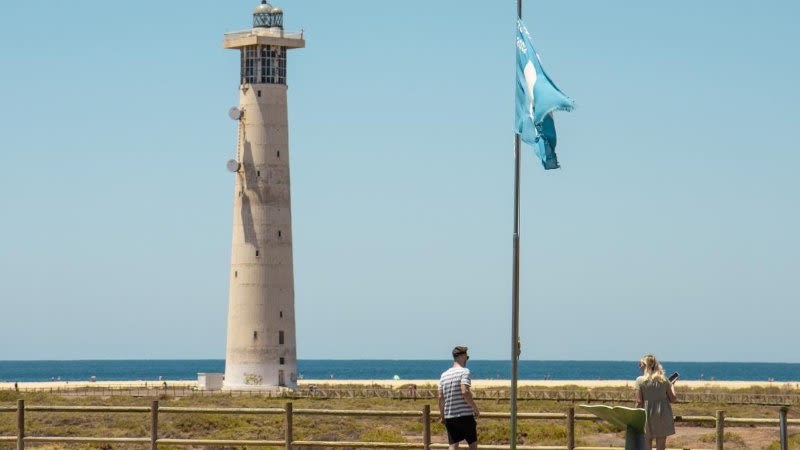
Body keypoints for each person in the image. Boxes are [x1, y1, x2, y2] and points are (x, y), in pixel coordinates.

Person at [438, 346, 480, 450]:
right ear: (461, 356)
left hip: (449, 416)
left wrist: (442, 416)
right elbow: (465, 391)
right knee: (472, 444)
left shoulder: (444, 375)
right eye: (467, 357)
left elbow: (440, 397)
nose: (467, 360)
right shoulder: (465, 371)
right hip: (465, 415)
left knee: (453, 445)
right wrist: (475, 409)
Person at [635, 354, 677, 450]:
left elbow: (638, 401)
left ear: (646, 365)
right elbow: (673, 399)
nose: (639, 366)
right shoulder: (664, 379)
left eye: (640, 364)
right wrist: (672, 385)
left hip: (646, 414)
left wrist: (634, 417)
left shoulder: (639, 380)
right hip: (663, 413)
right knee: (661, 445)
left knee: (646, 444)